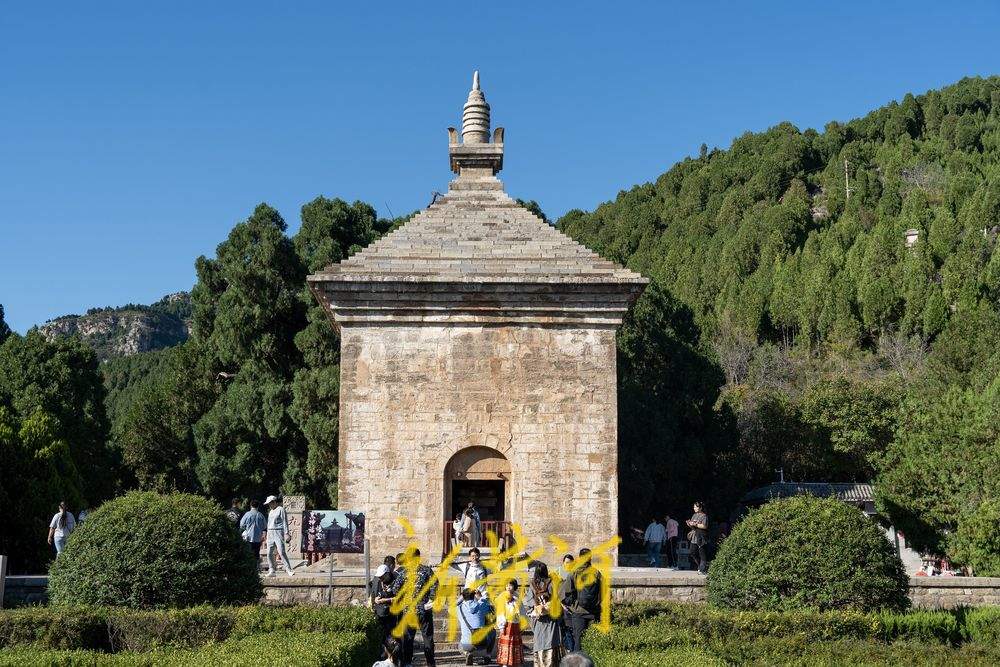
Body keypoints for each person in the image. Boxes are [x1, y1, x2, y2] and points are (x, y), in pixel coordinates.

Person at [390, 548, 437, 667]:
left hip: (409, 611)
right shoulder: (427, 570)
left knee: (409, 638)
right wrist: (431, 598)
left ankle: (407, 663)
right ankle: (430, 663)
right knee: (427, 638)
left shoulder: (404, 572)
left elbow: (395, 589)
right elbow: (435, 584)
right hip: (424, 609)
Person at [559, 548, 601, 653]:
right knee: (594, 641)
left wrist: (572, 605)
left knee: (578, 641)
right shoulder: (596, 573)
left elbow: (564, 595)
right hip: (594, 612)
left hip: (578, 612)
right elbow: (605, 593)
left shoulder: (573, 573)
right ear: (590, 558)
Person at [527, 563, 562, 667]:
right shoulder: (552, 583)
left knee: (540, 642)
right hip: (550, 618)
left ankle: (540, 664)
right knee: (551, 642)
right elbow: (556, 599)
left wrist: (536, 609)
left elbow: (529, 601)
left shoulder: (532, 584)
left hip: (539, 619)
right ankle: (551, 664)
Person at [457, 587, 495, 665]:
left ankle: (466, 653)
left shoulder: (459, 608)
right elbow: (491, 609)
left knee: (460, 645)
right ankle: (487, 656)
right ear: (474, 595)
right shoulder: (482, 604)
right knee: (493, 631)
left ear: (463, 597)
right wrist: (480, 597)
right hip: (482, 643)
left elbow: (453, 605)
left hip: (466, 645)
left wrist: (461, 597)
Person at [495, 578, 525, 667]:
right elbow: (500, 612)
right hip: (506, 624)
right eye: (507, 585)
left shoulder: (517, 597)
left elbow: (522, 610)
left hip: (515, 624)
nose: (508, 587)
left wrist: (523, 623)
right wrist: (501, 626)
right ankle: (505, 662)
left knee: (515, 644)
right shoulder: (502, 597)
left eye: (510, 585)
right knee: (506, 644)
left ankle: (516, 662)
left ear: (514, 586)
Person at [264, 495, 295, 577]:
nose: (269, 505)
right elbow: (269, 523)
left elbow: (285, 522)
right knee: (269, 553)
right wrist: (267, 534)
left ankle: (288, 569)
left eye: (270, 503)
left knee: (281, 552)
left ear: (274, 502)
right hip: (270, 532)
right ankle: (272, 570)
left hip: (278, 531)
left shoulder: (281, 509)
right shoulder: (270, 511)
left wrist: (287, 533)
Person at [372, 564, 400, 644]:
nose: (381, 579)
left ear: (387, 574)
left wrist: (384, 600)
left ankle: (392, 655)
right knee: (382, 635)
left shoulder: (396, 580)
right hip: (381, 613)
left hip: (392, 613)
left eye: (382, 577)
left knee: (391, 636)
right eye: (380, 577)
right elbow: (375, 593)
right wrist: (376, 599)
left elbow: (399, 598)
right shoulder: (379, 581)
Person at [686, 502, 709, 574]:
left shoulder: (704, 516)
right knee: (692, 552)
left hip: (701, 536)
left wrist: (695, 524)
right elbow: (693, 527)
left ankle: (703, 569)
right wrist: (689, 524)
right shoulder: (694, 515)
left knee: (702, 553)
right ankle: (700, 566)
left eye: (696, 507)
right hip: (694, 536)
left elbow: (704, 526)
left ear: (700, 508)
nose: (694, 508)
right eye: (694, 507)